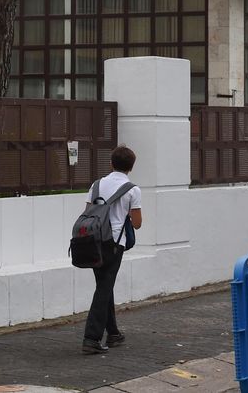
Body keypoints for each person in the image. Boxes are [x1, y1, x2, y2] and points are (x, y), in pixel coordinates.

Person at [82, 145, 143, 354]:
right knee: (104, 288)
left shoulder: (97, 185)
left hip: (93, 241)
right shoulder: (133, 190)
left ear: (111, 163)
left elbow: (88, 212)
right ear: (131, 167)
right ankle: (91, 338)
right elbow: (137, 223)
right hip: (115, 244)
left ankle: (114, 333)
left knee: (104, 285)